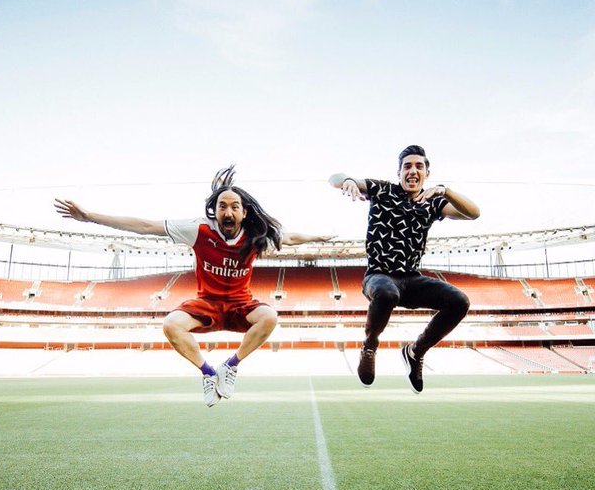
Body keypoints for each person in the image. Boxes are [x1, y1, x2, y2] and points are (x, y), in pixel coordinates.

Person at [55, 167, 333, 406]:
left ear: (244, 212)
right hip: (207, 304)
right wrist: (90, 216)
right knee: (171, 324)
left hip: (240, 305)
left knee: (270, 316)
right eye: (222, 206)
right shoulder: (199, 230)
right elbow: (145, 225)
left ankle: (230, 366)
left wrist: (317, 237)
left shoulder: (256, 236)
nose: (228, 211)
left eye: (234, 206)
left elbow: (291, 237)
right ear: (215, 210)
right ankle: (209, 373)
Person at [329, 145, 480, 393]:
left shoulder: (433, 202)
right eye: (407, 166)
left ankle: (415, 351)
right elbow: (333, 179)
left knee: (459, 301)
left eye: (419, 166)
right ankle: (369, 345)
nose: (412, 171)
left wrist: (446, 190)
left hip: (412, 280)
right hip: (378, 276)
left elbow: (474, 213)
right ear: (399, 172)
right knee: (388, 293)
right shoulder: (383, 190)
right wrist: (346, 181)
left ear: (426, 174)